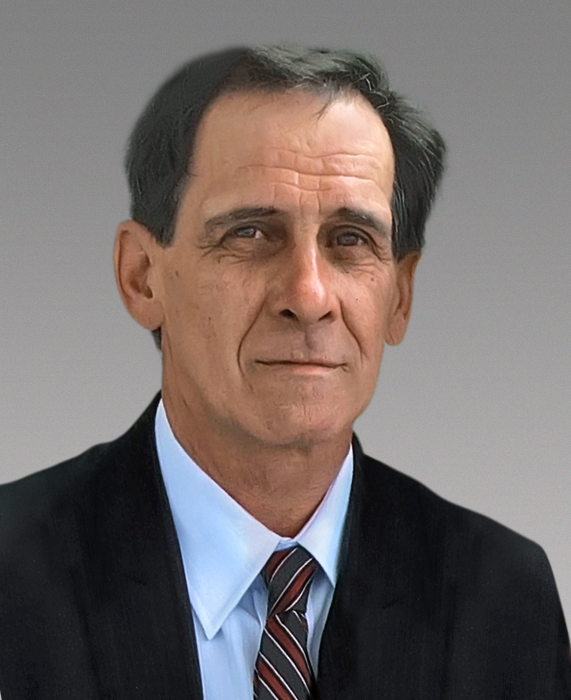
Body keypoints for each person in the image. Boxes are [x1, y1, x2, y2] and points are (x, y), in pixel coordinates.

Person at [0, 45, 569, 700]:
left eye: (350, 239)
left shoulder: (501, 599)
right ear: (142, 276)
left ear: (400, 296)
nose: (309, 295)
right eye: (249, 233)